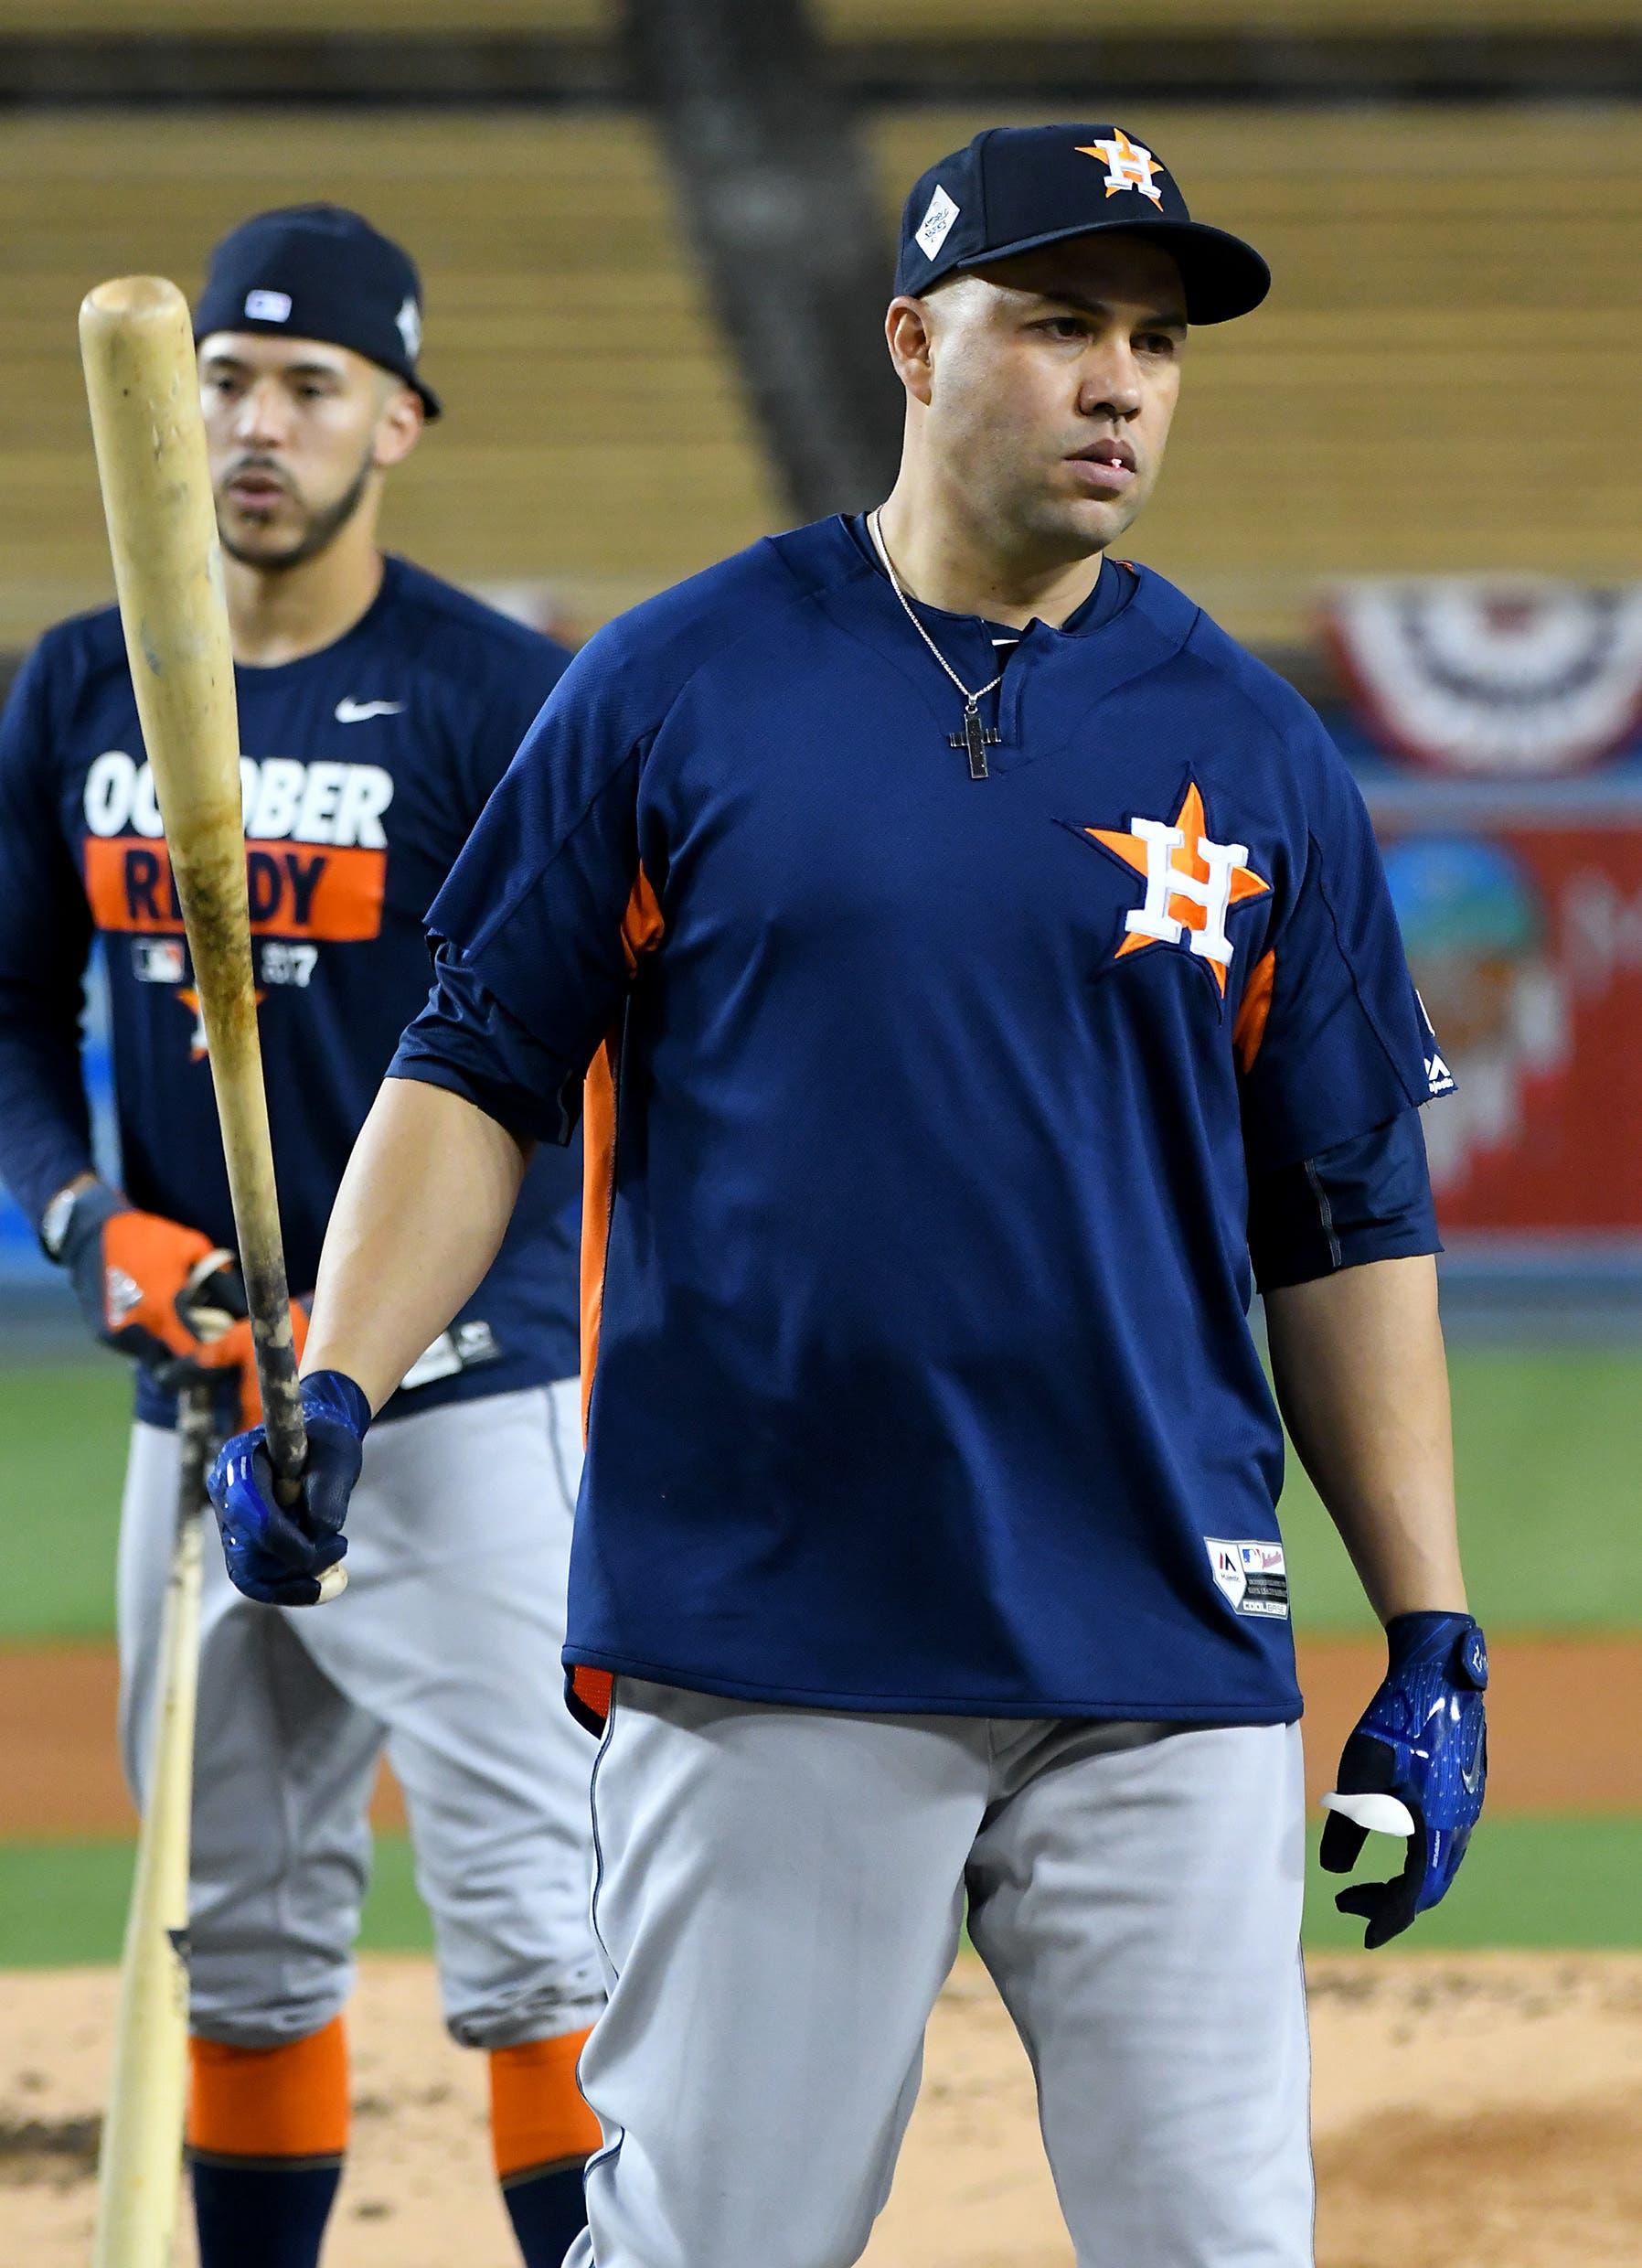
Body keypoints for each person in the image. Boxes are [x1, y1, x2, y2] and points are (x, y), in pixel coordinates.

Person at [209, 130, 1489, 2267]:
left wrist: (1433, 1631)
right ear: (913, 342)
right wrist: (339, 1375)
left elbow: (1344, 1217)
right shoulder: (679, 683)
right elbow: (472, 1069)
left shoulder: (1259, 754)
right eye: (1058, 323)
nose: (1119, 383)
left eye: (1154, 343)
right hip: (776, 1626)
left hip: (1160, 1636)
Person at [0, 205, 603, 2268]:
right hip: (202, 1412)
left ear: (398, 424)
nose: (256, 426)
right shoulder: (73, 686)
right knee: (240, 1943)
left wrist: (394, 1320)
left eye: (308, 388)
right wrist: (93, 1226)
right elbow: (6, 1017)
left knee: (541, 1939)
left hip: (455, 1411)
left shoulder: (492, 701)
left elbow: (571, 1055)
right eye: (225, 385)